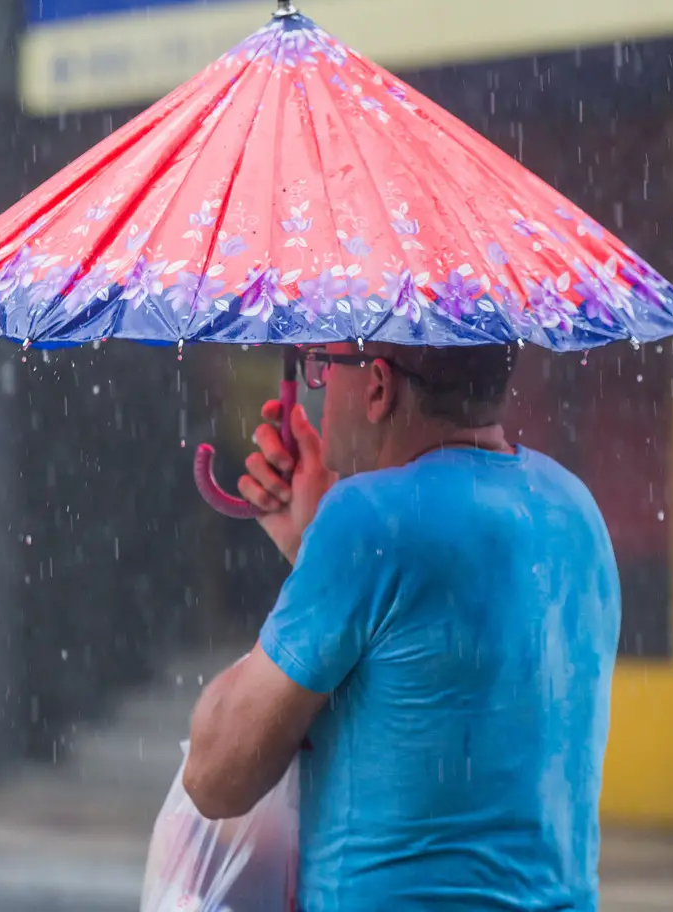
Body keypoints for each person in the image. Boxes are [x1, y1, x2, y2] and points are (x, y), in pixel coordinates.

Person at [183, 341, 621, 911]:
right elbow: (434, 656)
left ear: (379, 387)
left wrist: (329, 548)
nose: (319, 388)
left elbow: (216, 778)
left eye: (325, 366)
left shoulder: (369, 522)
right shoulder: (573, 507)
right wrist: (311, 547)